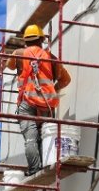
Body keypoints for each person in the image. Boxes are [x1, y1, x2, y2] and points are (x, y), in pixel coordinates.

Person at [4, 24, 71, 175]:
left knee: (31, 139)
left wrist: (18, 53)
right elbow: (66, 80)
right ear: (42, 39)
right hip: (46, 106)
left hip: (26, 103)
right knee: (45, 136)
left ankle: (34, 169)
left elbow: (8, 66)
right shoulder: (52, 58)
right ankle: (47, 164)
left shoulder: (20, 53)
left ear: (25, 40)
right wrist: (54, 90)